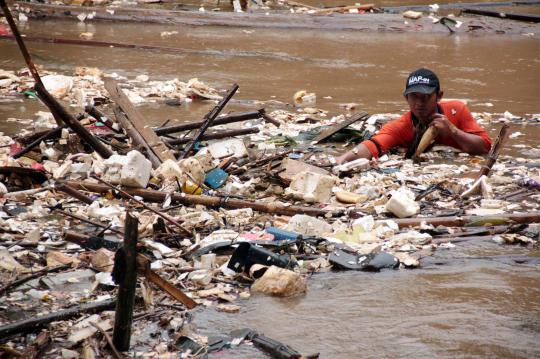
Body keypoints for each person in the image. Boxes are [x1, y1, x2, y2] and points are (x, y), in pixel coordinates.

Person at [335, 68, 492, 164]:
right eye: (414, 97)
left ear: (438, 96)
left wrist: (453, 131)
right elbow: (373, 145)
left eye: (425, 97)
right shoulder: (402, 126)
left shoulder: (457, 110)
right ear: (406, 98)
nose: (419, 103)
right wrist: (343, 159)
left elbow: (485, 147)